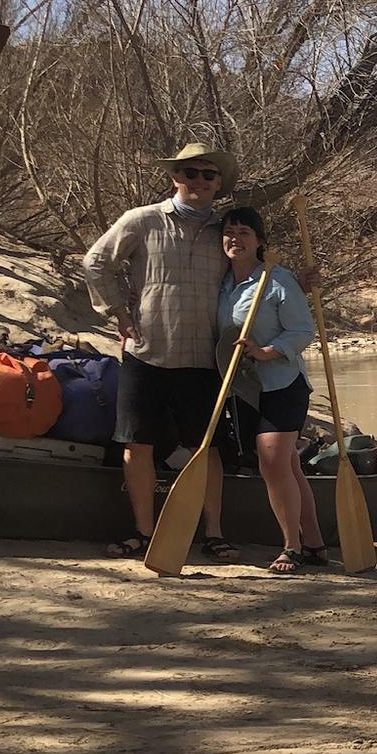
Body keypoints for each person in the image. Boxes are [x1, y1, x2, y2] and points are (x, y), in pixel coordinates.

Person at [81, 142, 241, 561]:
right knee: (138, 445)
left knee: (206, 448)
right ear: (176, 178)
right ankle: (144, 532)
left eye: (209, 175)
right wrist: (118, 312)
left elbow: (255, 273)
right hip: (145, 353)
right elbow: (95, 261)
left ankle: (213, 533)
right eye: (192, 173)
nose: (200, 181)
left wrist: (299, 280)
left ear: (219, 184)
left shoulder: (226, 233)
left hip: (204, 359)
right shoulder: (142, 220)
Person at [216, 207, 327, 573]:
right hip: (246, 390)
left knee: (273, 460)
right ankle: (314, 544)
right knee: (288, 468)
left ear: (260, 241)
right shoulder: (222, 285)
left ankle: (291, 547)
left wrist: (266, 351)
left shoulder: (277, 280)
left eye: (244, 232)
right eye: (229, 232)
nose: (236, 238)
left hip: (283, 383)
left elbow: (302, 330)